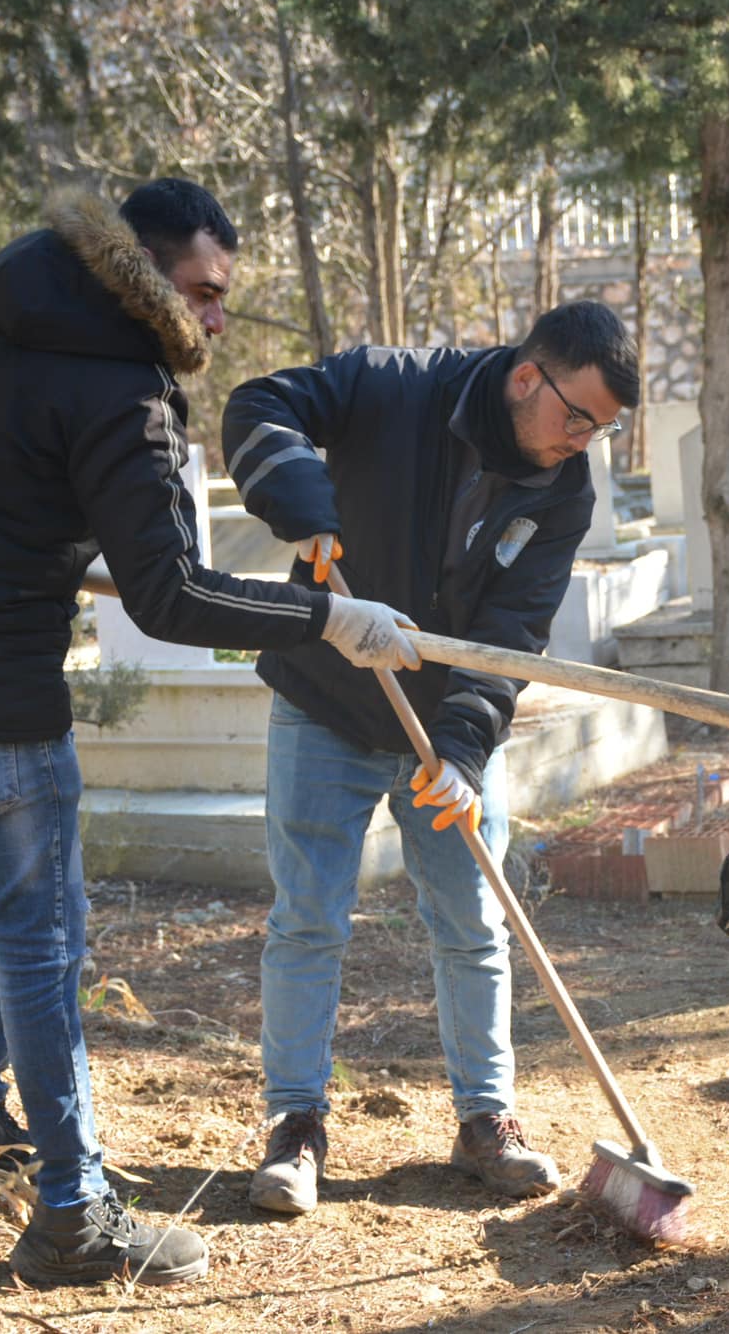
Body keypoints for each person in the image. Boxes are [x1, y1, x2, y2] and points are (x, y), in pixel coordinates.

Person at [0, 179, 419, 1286]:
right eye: (206, 292)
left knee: (16, 885)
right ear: (144, 268)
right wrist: (329, 617)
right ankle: (73, 1212)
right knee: (44, 926)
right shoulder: (128, 397)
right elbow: (171, 599)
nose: (216, 319)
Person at [221, 302, 639, 1215]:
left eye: (603, 429)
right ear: (528, 375)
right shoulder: (393, 384)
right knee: (308, 921)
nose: (585, 441)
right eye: (578, 417)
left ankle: (486, 1121)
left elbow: (513, 631)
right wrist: (297, 501)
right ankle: (295, 1128)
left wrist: (461, 750)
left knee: (472, 924)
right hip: (324, 699)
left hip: (442, 728)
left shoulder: (563, 492)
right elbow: (257, 404)